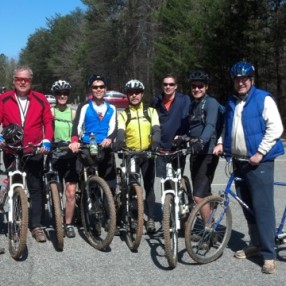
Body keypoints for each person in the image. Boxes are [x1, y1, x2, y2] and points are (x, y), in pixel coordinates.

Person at [213, 61, 284, 274]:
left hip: (259, 162)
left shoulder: (263, 98)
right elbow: (228, 127)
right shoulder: (233, 101)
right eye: (237, 79)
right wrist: (220, 142)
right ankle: (255, 244)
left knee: (262, 208)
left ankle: (269, 255)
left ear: (251, 80)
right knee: (247, 206)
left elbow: (276, 128)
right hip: (239, 160)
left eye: (244, 79)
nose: (240, 82)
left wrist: (260, 153)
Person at [0, 66, 53, 242]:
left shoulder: (40, 99)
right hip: (11, 149)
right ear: (13, 81)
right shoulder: (4, 98)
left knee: (36, 188)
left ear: (31, 81)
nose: (22, 82)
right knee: (12, 187)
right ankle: (13, 223)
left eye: (26, 79)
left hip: (34, 150)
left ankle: (36, 226)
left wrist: (47, 141)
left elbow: (47, 122)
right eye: (19, 79)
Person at [115, 79, 160, 233]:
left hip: (147, 153)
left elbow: (156, 129)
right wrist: (120, 142)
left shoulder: (150, 111)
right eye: (131, 93)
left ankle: (151, 219)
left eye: (137, 93)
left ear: (142, 94)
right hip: (131, 154)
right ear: (127, 95)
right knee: (132, 188)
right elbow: (120, 131)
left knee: (149, 187)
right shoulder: (124, 114)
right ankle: (134, 218)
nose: (134, 96)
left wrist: (155, 142)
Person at [69, 74, 117, 193]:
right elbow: (77, 126)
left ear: (105, 88)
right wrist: (75, 141)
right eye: (95, 87)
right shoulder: (84, 106)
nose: (98, 89)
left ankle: (111, 209)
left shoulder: (112, 108)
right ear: (91, 89)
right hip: (88, 147)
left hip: (105, 147)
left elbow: (113, 127)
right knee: (90, 187)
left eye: (101, 87)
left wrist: (110, 139)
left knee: (110, 188)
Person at [188, 70, 221, 222]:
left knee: (198, 196)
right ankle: (211, 223)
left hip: (207, 153)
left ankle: (208, 231)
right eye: (194, 86)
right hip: (196, 153)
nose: (196, 89)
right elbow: (193, 127)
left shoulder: (211, 103)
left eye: (200, 86)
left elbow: (210, 125)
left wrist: (201, 141)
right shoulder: (194, 104)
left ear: (206, 87)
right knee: (204, 192)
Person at [50, 80, 78, 238]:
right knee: (57, 190)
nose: (62, 96)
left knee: (70, 192)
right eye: (59, 93)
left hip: (70, 155)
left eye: (65, 93)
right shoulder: (50, 112)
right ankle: (56, 215)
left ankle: (68, 223)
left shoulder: (73, 113)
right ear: (55, 95)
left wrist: (75, 141)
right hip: (54, 154)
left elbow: (77, 131)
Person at [150, 73, 191, 177]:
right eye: (165, 84)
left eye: (171, 84)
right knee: (164, 180)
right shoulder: (156, 101)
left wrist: (184, 136)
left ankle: (181, 191)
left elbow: (187, 120)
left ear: (176, 86)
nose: (168, 87)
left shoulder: (184, 100)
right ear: (162, 86)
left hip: (177, 147)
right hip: (160, 148)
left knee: (177, 179)